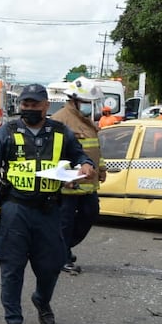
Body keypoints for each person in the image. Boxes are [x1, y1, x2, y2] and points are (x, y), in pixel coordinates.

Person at [0, 83, 95, 324]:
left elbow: (80, 156)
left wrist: (86, 165)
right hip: (15, 210)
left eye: (34, 105)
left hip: (49, 210)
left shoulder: (61, 132)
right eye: (25, 105)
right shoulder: (7, 132)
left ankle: (42, 300)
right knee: (11, 267)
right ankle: (14, 320)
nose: (28, 109)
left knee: (51, 266)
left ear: (45, 106)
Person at [50, 80, 107, 274]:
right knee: (65, 222)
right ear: (74, 100)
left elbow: (94, 149)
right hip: (69, 185)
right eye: (85, 101)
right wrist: (63, 177)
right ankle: (61, 256)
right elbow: (53, 154)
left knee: (90, 213)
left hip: (88, 183)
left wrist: (101, 168)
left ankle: (61, 248)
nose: (89, 106)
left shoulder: (86, 121)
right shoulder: (60, 120)